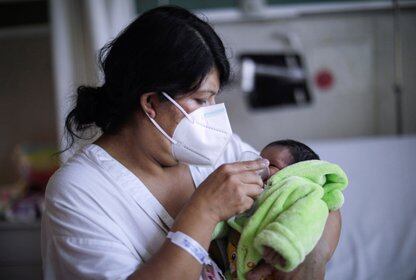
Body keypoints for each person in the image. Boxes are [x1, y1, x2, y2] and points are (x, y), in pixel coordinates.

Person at [41, 6, 340, 280]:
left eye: (214, 98)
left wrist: (313, 254)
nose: (213, 114)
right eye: (201, 100)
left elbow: (315, 190)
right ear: (151, 103)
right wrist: (204, 212)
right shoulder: (78, 191)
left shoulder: (215, 149)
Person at [225, 140, 341, 280]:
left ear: (296, 172)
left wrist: (283, 242)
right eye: (259, 161)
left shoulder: (301, 192)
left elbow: (306, 216)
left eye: (271, 165)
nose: (260, 170)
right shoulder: (255, 196)